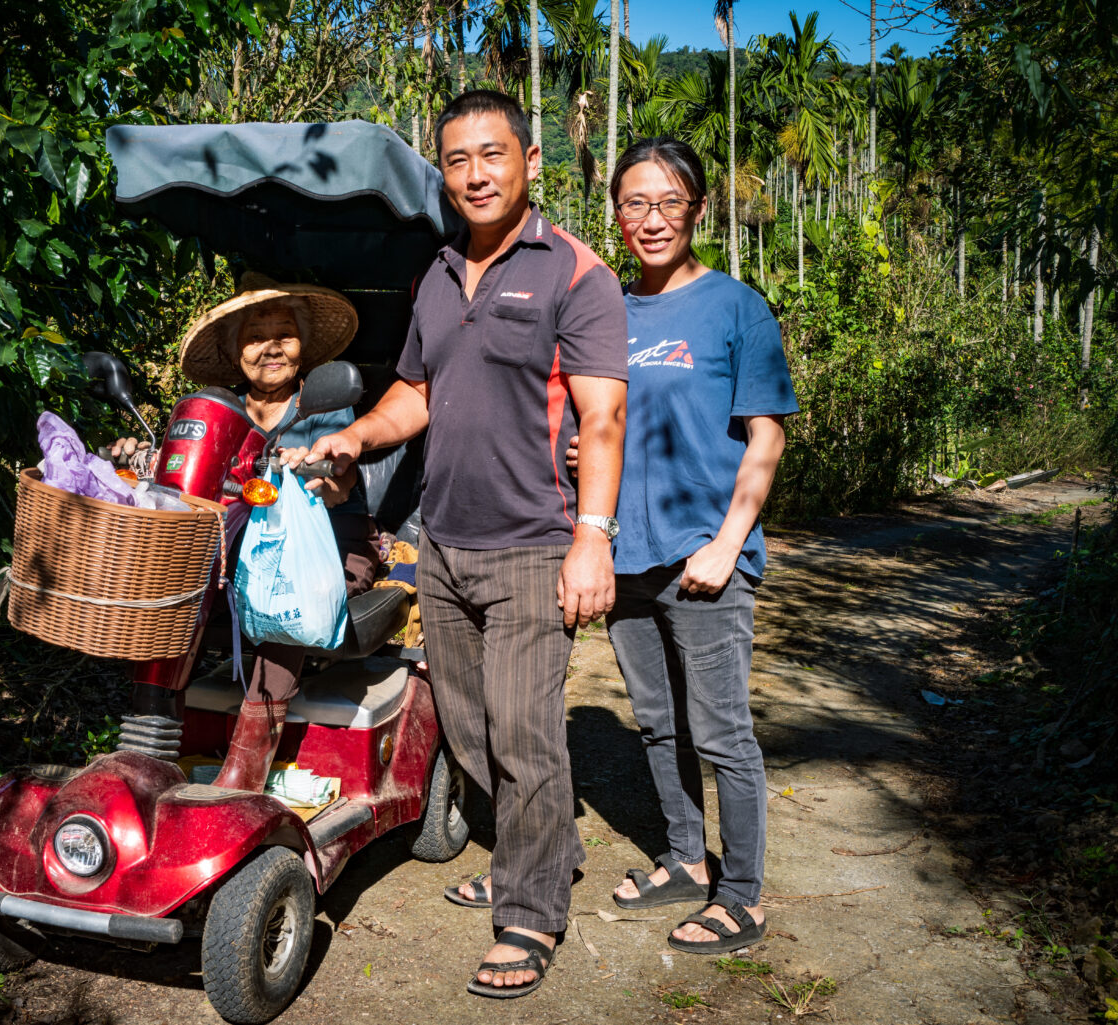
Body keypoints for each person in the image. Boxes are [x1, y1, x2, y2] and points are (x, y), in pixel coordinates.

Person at [307, 89, 629, 998]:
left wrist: (591, 540)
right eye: (458, 159)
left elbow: (602, 419)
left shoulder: (577, 274)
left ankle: (528, 911)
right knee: (470, 724)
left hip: (535, 541)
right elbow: (416, 391)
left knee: (527, 731)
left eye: (494, 154)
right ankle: (544, 847)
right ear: (442, 173)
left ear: (531, 160)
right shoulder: (439, 274)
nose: (477, 173)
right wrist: (357, 437)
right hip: (440, 543)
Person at [570, 136, 796, 954]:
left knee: (722, 728)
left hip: (705, 554)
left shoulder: (735, 306)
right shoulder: (606, 311)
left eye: (669, 202)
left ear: (698, 209)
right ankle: (682, 857)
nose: (652, 219)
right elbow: (594, 419)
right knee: (658, 724)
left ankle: (742, 894)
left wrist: (729, 544)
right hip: (626, 553)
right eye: (636, 202)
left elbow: (765, 437)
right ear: (617, 213)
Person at [121, 275, 379, 792]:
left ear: (303, 347)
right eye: (256, 336)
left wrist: (320, 468)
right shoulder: (219, 408)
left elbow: (341, 476)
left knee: (284, 600)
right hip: (229, 548)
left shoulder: (322, 405)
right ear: (234, 350)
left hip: (325, 550)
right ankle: (145, 748)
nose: (272, 348)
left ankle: (245, 772)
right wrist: (140, 455)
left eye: (285, 333)